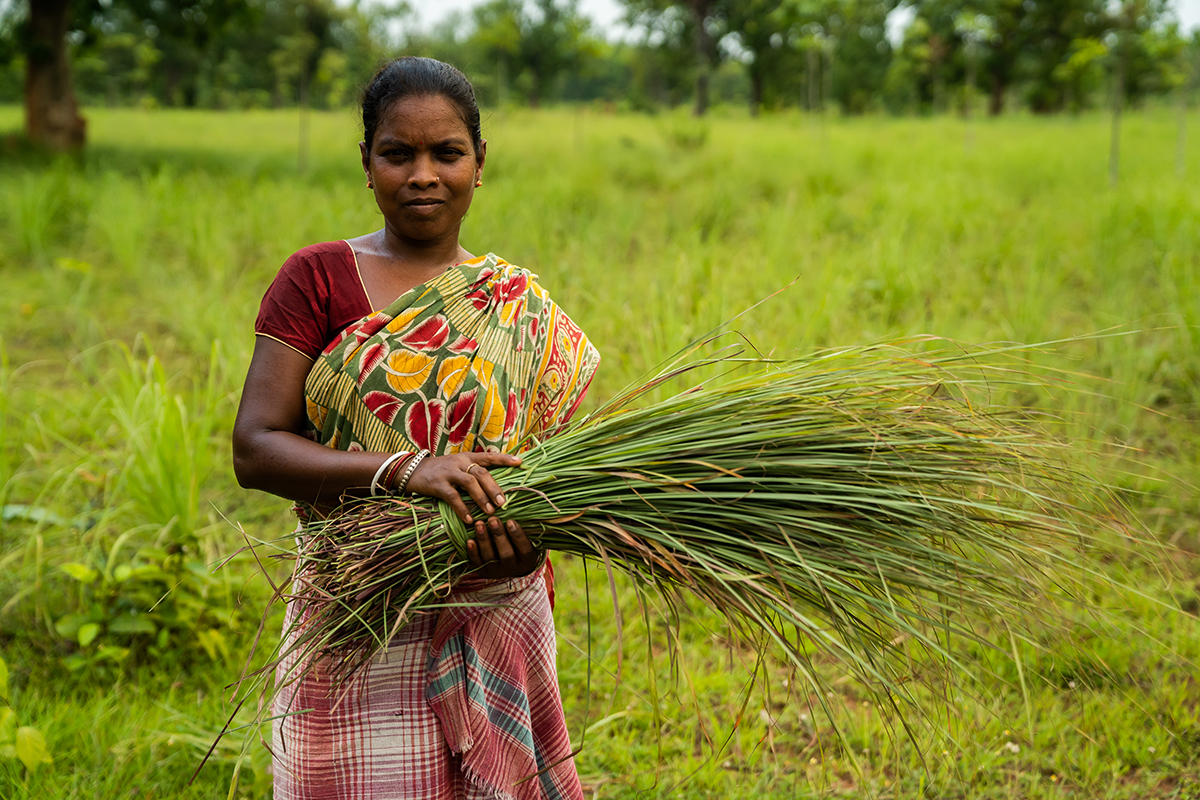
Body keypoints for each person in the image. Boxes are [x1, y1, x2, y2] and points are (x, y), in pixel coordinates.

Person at [232, 56, 599, 800]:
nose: (423, 174)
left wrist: (523, 542)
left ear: (479, 162)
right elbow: (255, 447)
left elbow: (551, 472)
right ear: (367, 164)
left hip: (493, 602)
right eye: (398, 153)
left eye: (446, 153)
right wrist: (403, 469)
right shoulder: (317, 278)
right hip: (356, 606)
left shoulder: (518, 307)